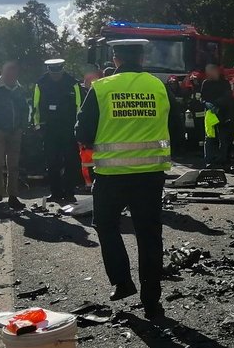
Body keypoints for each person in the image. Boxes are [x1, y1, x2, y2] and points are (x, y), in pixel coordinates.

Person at [75, 39, 177, 320]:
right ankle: (152, 301)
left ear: (115, 58)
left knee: (106, 225)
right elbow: (177, 125)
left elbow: (82, 133)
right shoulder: (158, 86)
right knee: (149, 234)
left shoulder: (102, 88)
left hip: (111, 176)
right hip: (150, 175)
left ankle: (122, 281)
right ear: (142, 58)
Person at [0, 61, 30, 211]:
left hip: (15, 132)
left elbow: (24, 109)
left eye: (15, 73)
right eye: (10, 73)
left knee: (13, 166)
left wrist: (22, 127)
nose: (12, 76)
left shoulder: (19, 89)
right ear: (3, 72)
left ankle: (13, 196)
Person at [33, 59, 83, 203]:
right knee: (52, 162)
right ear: (48, 70)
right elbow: (36, 106)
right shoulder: (41, 83)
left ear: (62, 69)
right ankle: (55, 193)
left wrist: (78, 127)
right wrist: (38, 126)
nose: (55, 75)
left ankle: (69, 192)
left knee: (70, 162)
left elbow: (79, 106)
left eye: (58, 72)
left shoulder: (72, 83)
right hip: (49, 128)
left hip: (68, 128)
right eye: (52, 72)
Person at [200, 64, 234, 169]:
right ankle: (209, 160)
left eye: (210, 71)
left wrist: (216, 104)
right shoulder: (205, 83)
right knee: (209, 138)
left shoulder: (224, 83)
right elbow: (202, 98)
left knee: (223, 138)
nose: (208, 74)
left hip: (223, 114)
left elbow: (228, 97)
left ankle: (222, 160)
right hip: (210, 115)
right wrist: (206, 103)